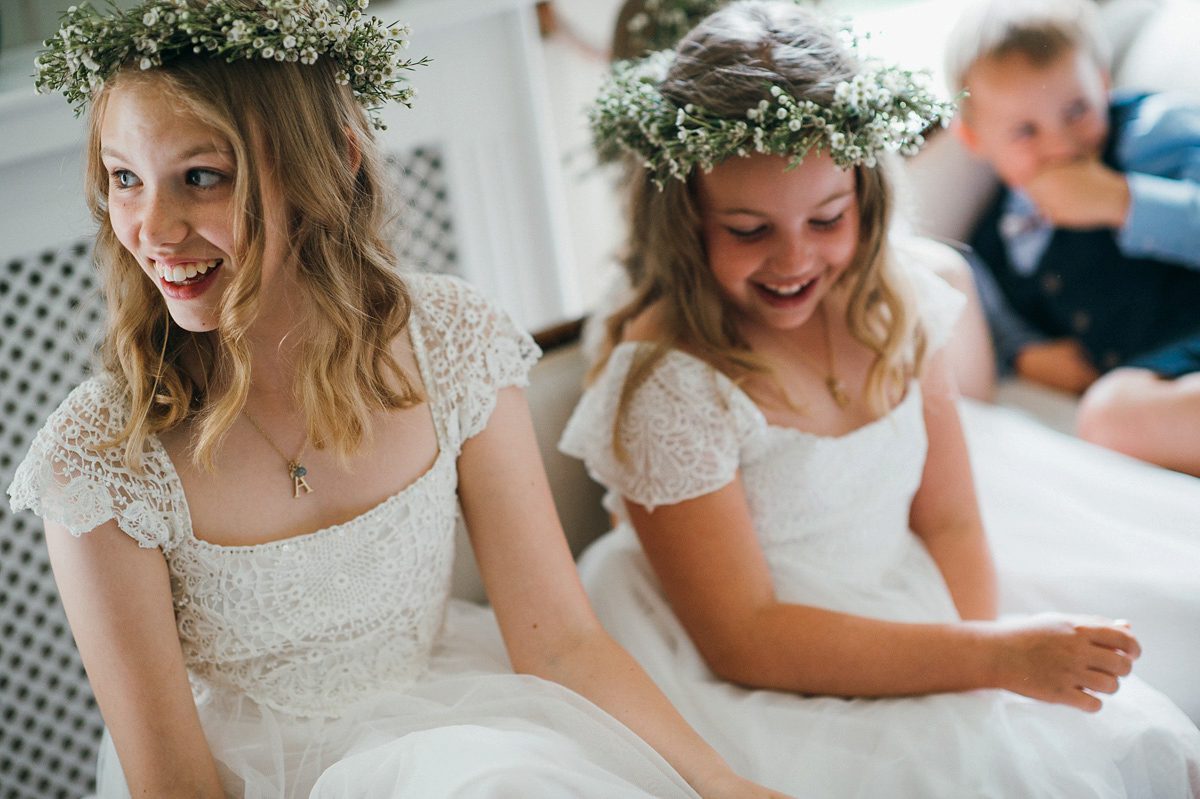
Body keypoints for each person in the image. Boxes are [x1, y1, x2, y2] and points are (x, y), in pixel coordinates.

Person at [5, 2, 795, 797]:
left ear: (336, 161)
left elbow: (560, 644)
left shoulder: (452, 340)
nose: (152, 228)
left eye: (202, 176)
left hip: (468, 724)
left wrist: (725, 785)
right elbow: (174, 783)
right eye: (125, 179)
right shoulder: (100, 458)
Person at [560, 2, 1200, 795]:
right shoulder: (668, 382)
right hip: (753, 661)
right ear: (686, 219)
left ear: (865, 191)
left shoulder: (895, 304)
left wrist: (983, 674)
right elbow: (742, 637)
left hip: (904, 598)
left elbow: (951, 517)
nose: (794, 259)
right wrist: (993, 655)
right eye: (749, 230)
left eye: (827, 217)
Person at [947, 0, 1200, 476]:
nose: (1061, 146)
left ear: (1103, 83)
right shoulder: (1001, 233)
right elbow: (991, 309)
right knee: (1111, 419)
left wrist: (1123, 201)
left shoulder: (1155, 132)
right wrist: (1025, 355)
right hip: (1165, 376)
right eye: (1025, 131)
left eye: (1077, 110)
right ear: (975, 139)